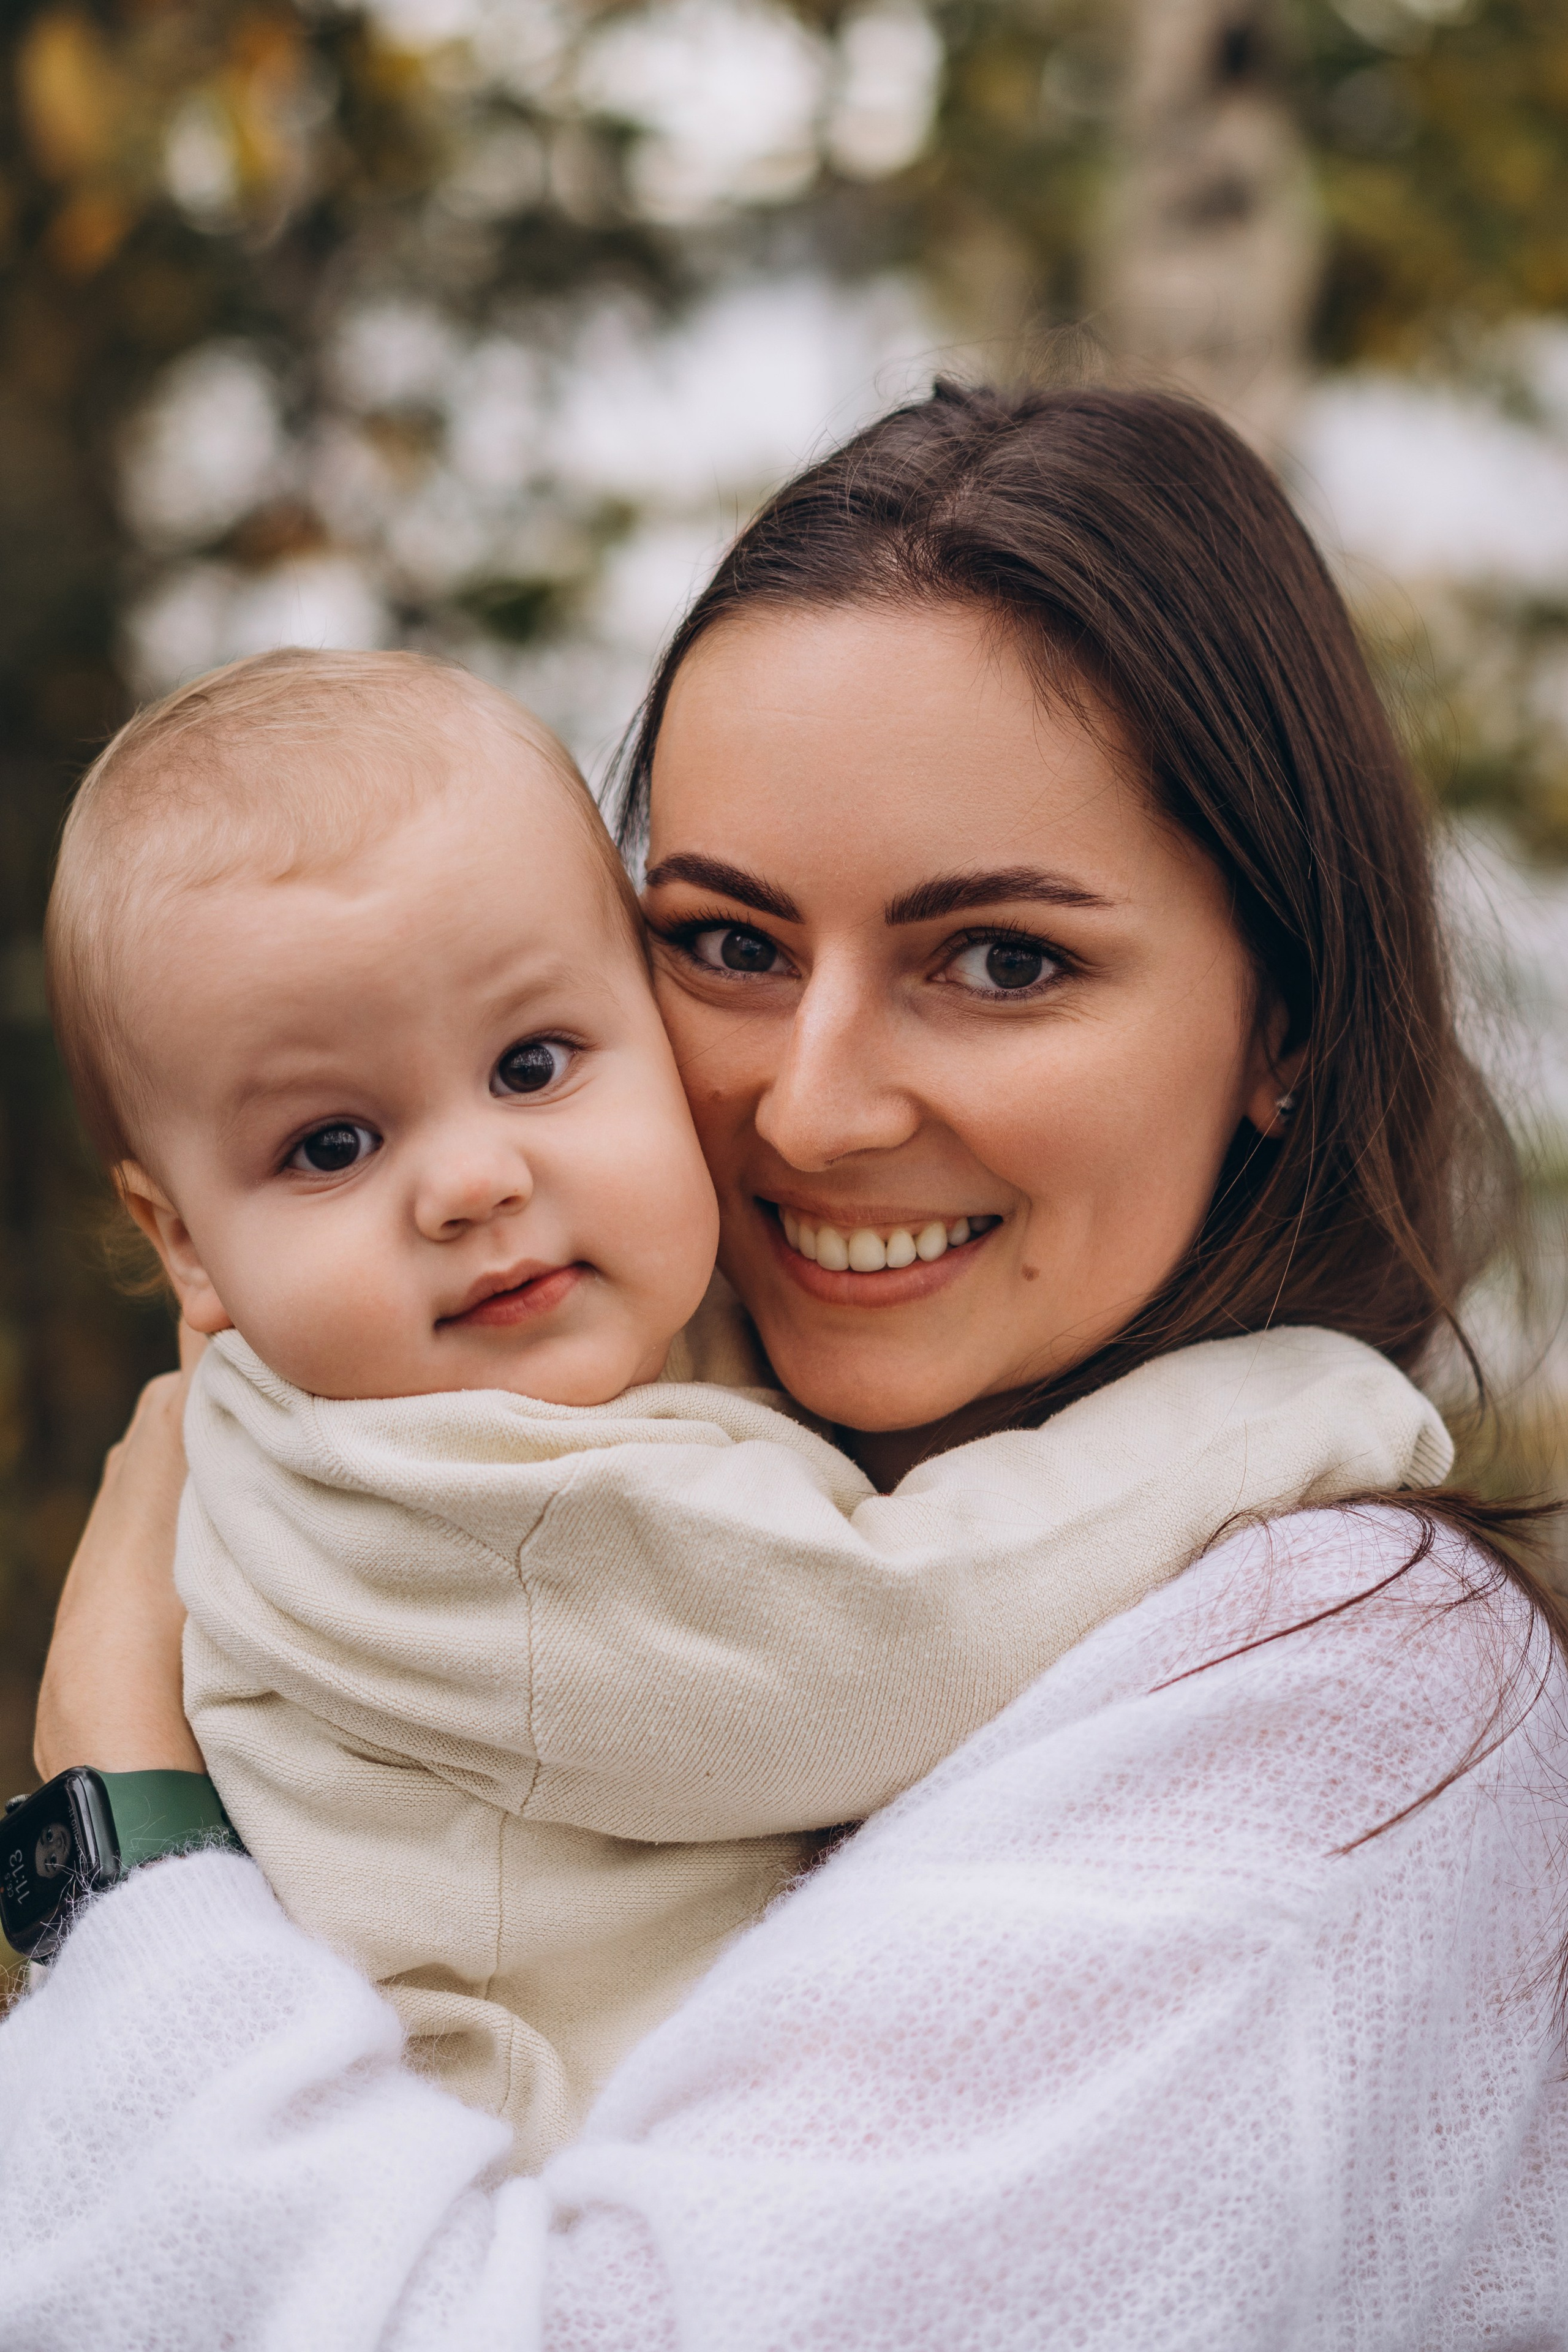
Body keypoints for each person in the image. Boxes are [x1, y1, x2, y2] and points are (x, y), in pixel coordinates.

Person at [4, 380, 1567, 2349]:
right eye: (729, 944)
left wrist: (119, 1847)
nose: (813, 1114)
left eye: (999, 959)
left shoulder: (1343, 1685)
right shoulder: (525, 1450)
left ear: (1289, 1026)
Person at [33, 643, 1434, 2171]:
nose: (471, 1182)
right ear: (180, 1243)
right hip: (479, 2184)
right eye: (329, 1146)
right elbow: (895, 1633)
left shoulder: (524, 1366)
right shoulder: (482, 1505)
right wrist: (1294, 1406)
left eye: (532, 1061)